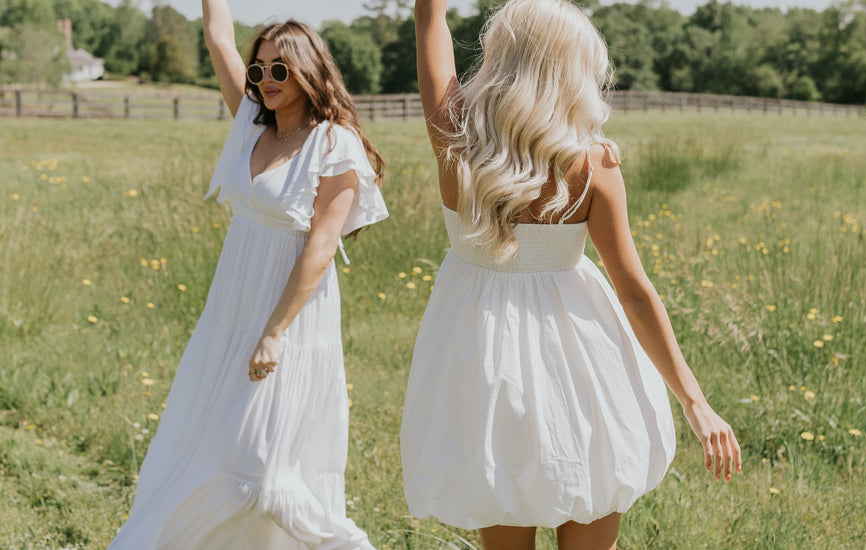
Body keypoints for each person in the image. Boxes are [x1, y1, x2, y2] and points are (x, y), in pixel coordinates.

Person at [400, 1, 742, 549]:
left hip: (482, 354)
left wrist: (431, 11)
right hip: (581, 356)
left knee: (502, 494)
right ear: (575, 69)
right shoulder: (593, 165)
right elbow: (633, 292)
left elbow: (429, 22)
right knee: (591, 486)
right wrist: (695, 401)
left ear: (497, 58)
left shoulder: (457, 139)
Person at [107, 1, 387, 548]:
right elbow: (218, 40)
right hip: (230, 311)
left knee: (263, 465)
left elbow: (322, 246)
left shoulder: (333, 143)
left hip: (289, 317)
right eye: (259, 69)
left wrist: (275, 331)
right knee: (210, 443)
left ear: (308, 69)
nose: (265, 79)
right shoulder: (250, 122)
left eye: (280, 69)